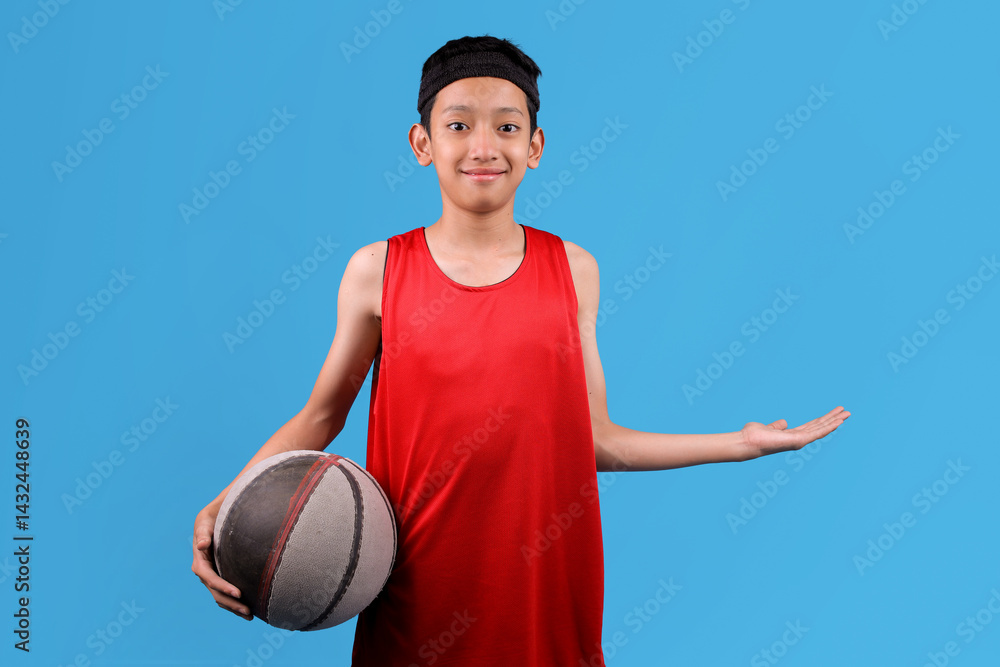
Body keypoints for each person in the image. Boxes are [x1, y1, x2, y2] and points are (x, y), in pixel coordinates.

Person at [191, 35, 851, 666]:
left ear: (535, 146)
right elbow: (319, 418)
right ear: (421, 144)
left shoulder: (574, 269)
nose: (483, 145)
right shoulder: (378, 270)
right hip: (415, 605)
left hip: (543, 607)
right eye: (458, 125)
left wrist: (740, 442)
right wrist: (226, 505)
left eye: (506, 127)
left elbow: (595, 441)